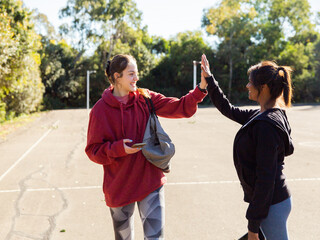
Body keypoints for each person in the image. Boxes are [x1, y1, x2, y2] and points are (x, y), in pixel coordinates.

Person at [85, 54, 208, 239]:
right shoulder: (99, 110)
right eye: (131, 74)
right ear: (117, 76)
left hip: (150, 182)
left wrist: (202, 87)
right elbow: (93, 151)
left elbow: (180, 107)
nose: (136, 78)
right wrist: (119, 149)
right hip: (119, 187)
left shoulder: (145, 98)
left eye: (137, 73)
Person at [200, 54, 294, 240]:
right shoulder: (263, 115)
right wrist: (209, 79)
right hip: (272, 202)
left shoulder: (266, 125)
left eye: (250, 83)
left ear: (264, 88)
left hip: (271, 205)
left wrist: (253, 226)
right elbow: (229, 109)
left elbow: (265, 179)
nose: (247, 86)